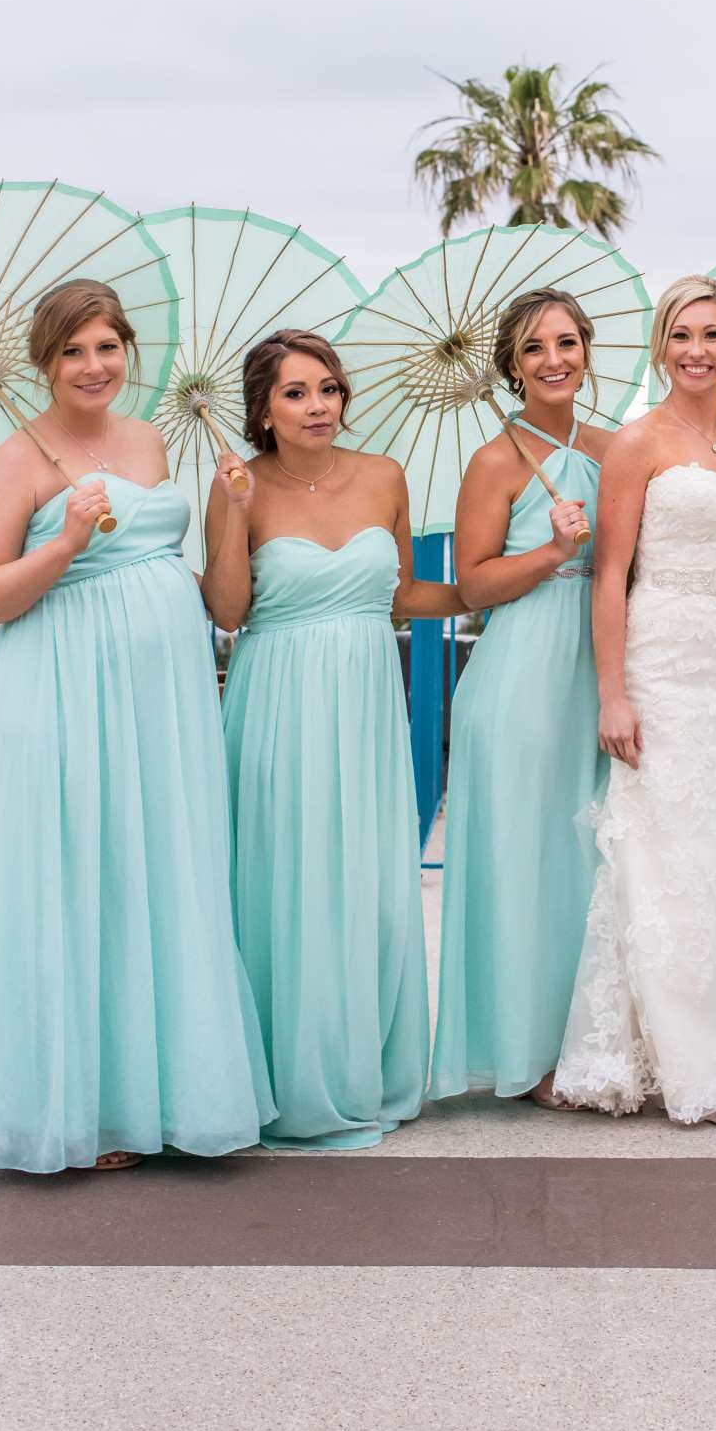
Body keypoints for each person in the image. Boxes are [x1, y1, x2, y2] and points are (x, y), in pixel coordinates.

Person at [0, 278, 273, 1173]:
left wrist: (233, 507)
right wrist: (61, 546)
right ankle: (87, 1109)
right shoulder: (16, 459)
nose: (93, 367)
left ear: (128, 349)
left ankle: (162, 1091)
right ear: (45, 362)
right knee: (82, 876)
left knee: (157, 871)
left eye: (107, 346)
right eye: (72, 351)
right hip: (61, 692)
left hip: (162, 698)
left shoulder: (151, 440)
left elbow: (206, 585)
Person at [203, 328, 462, 1150]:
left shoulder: (385, 476)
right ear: (264, 410)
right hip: (277, 700)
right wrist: (236, 510)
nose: (318, 406)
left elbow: (402, 593)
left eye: (328, 389)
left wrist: (522, 576)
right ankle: (280, 1078)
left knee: (362, 881)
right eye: (295, 393)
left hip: (365, 706)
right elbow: (227, 612)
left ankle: (361, 1068)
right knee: (284, 878)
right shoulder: (238, 485)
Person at [553, 275, 716, 1124]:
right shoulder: (636, 444)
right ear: (661, 345)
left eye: (713, 334)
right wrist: (614, 692)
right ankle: (670, 1055)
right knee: (661, 846)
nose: (697, 349)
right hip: (661, 660)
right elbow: (611, 572)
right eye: (682, 333)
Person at [429, 289, 611, 1105]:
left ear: (587, 349)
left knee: (590, 856)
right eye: (535, 349)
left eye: (567, 343)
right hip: (521, 672)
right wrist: (550, 550)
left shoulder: (612, 447)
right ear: (511, 365)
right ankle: (525, 1054)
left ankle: (587, 1039)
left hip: (597, 664)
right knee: (525, 859)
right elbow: (471, 585)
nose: (554, 360)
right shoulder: (497, 459)